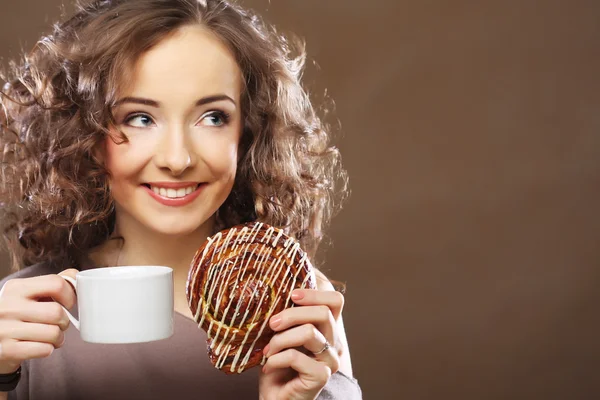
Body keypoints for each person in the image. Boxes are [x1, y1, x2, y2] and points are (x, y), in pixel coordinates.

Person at [0, 0, 361, 399]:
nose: (177, 159)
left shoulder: (297, 306)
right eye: (140, 118)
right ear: (88, 136)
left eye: (213, 117)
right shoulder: (22, 311)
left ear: (248, 134)